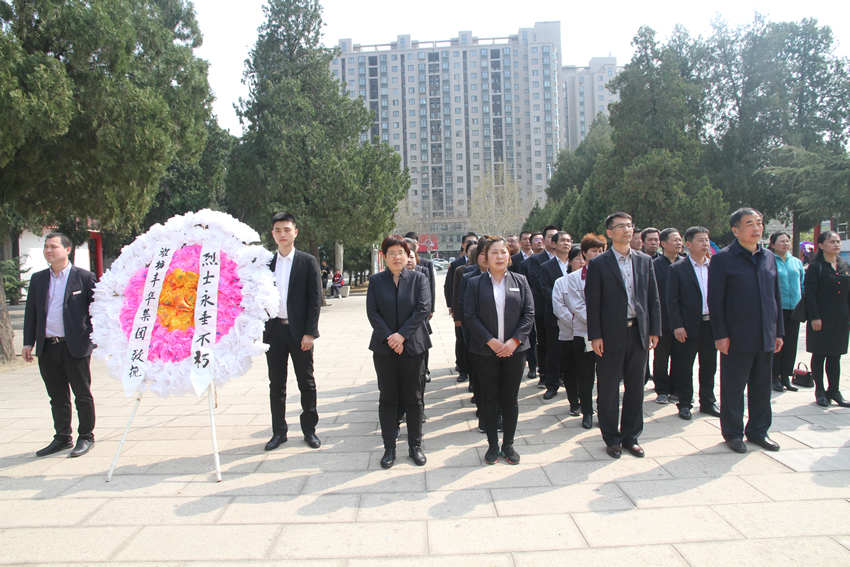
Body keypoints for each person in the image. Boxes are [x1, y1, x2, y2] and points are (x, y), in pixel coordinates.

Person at [708, 208, 784, 453]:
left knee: (762, 386)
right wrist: (720, 334)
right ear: (735, 229)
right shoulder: (723, 258)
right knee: (734, 387)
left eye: (759, 223)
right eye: (749, 223)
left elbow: (775, 297)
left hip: (766, 333)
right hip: (737, 335)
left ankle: (759, 431)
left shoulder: (768, 256)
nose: (756, 228)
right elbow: (715, 300)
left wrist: (779, 331)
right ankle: (733, 433)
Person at [586, 212, 661, 459]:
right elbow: (593, 303)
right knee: (608, 389)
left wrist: (654, 330)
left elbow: (653, 298)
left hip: (638, 332)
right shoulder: (599, 263)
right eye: (621, 226)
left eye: (629, 226)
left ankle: (631, 436)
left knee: (636, 387)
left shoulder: (644, 260)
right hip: (610, 335)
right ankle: (612, 438)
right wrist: (595, 336)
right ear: (610, 232)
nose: (627, 230)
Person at [23, 233, 98, 458]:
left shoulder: (84, 277)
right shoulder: (38, 279)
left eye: (53, 247)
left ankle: (86, 437)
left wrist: (93, 338)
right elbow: (31, 313)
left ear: (67, 250)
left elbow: (97, 310)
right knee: (57, 396)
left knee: (81, 394)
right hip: (48, 347)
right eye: (46, 247)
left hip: (74, 347)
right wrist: (28, 342)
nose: (48, 250)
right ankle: (63, 437)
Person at [464, 236, 534, 465]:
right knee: (489, 398)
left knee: (510, 399)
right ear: (485, 257)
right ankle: (493, 445)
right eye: (494, 252)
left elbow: (529, 314)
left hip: (515, 351)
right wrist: (490, 341)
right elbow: (470, 316)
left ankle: (509, 445)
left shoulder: (520, 281)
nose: (499, 256)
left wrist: (514, 341)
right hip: (485, 352)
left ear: (509, 256)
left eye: (503, 252)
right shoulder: (475, 283)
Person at [367, 235, 431, 468]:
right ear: (384, 257)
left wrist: (402, 335)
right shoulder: (376, 281)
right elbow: (373, 312)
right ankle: (389, 448)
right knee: (388, 398)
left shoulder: (419, 279)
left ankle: (415, 446)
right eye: (391, 253)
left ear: (408, 255)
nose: (397, 257)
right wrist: (391, 338)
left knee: (414, 398)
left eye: (401, 252)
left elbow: (422, 309)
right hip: (385, 349)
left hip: (413, 347)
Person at [264, 212, 323, 451]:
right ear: (273, 234)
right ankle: (279, 432)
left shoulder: (307, 261)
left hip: (300, 333)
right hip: (274, 331)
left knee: (306, 383)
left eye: (287, 230)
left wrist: (310, 333)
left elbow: (315, 299)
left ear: (295, 232)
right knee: (276, 385)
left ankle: (309, 430)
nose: (283, 234)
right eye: (278, 230)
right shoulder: (266, 263)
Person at [667, 226, 719, 420]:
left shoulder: (715, 267)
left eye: (707, 239)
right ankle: (685, 403)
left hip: (711, 325)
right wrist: (677, 325)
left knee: (709, 365)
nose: (705, 243)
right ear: (688, 244)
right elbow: (672, 301)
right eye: (700, 240)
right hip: (688, 327)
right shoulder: (677, 268)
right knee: (684, 366)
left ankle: (707, 401)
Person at [565, 234, 608, 429]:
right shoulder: (574, 278)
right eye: (593, 251)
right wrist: (600, 323)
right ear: (583, 253)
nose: (598, 254)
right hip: (584, 334)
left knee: (606, 374)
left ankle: (604, 410)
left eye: (601, 251)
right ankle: (587, 411)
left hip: (608, 334)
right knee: (585, 374)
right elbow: (577, 307)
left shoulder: (610, 274)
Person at [804, 231, 850, 408]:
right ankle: (820, 391)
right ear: (821, 246)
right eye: (832, 241)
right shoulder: (816, 267)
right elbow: (810, 294)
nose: (836, 244)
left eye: (838, 241)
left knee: (835, 356)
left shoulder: (844, 265)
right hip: (821, 318)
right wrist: (815, 317)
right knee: (819, 354)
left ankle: (834, 391)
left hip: (840, 318)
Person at [539, 231, 573, 400]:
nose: (566, 243)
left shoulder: (577, 263)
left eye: (569, 241)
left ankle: (571, 383)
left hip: (577, 316)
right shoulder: (546, 267)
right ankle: (552, 385)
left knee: (573, 353)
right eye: (562, 240)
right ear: (554, 244)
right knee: (553, 352)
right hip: (554, 316)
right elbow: (546, 291)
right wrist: (562, 308)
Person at [525, 225, 559, 389]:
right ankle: (544, 374)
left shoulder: (567, 259)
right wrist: (557, 298)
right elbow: (537, 282)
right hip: (543, 306)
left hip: (566, 309)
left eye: (556, 236)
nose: (553, 239)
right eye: (550, 236)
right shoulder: (536, 260)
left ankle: (561, 374)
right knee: (544, 343)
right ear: (544, 240)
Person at [551, 245, 584, 414]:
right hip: (569, 334)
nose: (581, 262)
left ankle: (586, 401)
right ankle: (574, 402)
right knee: (571, 369)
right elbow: (559, 308)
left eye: (583, 258)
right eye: (577, 258)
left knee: (586, 370)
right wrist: (578, 324)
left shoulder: (593, 280)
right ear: (569, 261)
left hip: (588, 334)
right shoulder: (561, 282)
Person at [770, 231, 804, 392]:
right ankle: (774, 376)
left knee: (791, 344)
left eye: (787, 241)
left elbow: (802, 284)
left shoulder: (796, 262)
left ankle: (786, 376)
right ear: (772, 244)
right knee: (777, 343)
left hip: (794, 309)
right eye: (782, 241)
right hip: (778, 309)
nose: (785, 244)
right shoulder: (769, 261)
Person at [652, 228, 683, 404]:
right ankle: (662, 389)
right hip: (662, 319)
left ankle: (676, 388)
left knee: (680, 356)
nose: (679, 243)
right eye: (675, 240)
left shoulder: (685, 264)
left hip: (681, 320)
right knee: (661, 358)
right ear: (663, 244)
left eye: (680, 240)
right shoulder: (654, 265)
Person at [445, 232, 478, 382]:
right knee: (462, 341)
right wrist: (454, 310)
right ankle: (462, 369)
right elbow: (452, 289)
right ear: (464, 249)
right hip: (462, 311)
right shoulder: (457, 266)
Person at [404, 232, 436, 382]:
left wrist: (430, 309)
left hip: (421, 314)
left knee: (423, 341)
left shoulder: (424, 269)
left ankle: (425, 370)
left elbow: (431, 290)